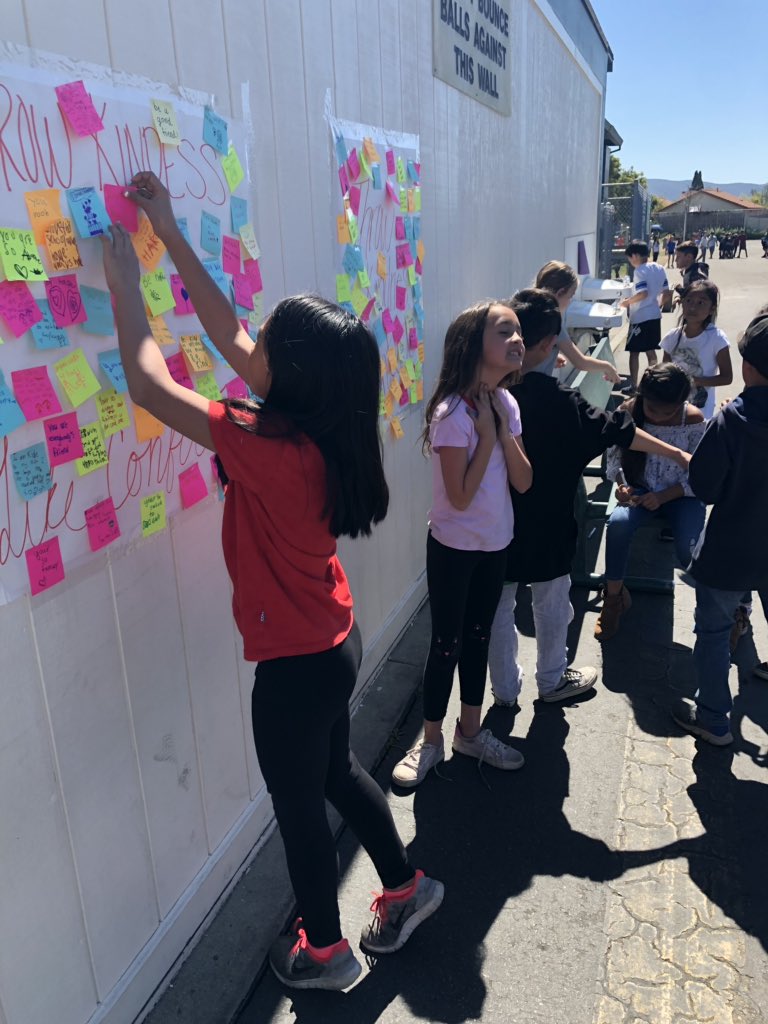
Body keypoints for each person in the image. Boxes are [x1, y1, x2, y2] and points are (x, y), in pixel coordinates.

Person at [102, 172, 443, 991]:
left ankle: (323, 953)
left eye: (269, 345)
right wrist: (168, 232)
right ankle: (407, 883)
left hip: (293, 669)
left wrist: (123, 288)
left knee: (298, 809)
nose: (252, 346)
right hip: (333, 639)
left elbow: (151, 386)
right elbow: (232, 337)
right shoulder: (327, 427)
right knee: (335, 775)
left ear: (290, 372)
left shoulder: (263, 445)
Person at [484, 290, 693, 701]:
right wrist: (677, 453)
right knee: (552, 605)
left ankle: (505, 691)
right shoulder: (565, 404)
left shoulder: (486, 396)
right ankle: (552, 681)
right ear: (547, 344)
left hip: (495, 526)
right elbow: (623, 431)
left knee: (499, 608)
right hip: (550, 526)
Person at [391, 301, 533, 788]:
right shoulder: (452, 413)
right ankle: (430, 741)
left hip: (496, 544)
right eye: (504, 331)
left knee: (479, 637)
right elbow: (460, 495)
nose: (517, 338)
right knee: (446, 643)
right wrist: (488, 437)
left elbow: (524, 481)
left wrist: (501, 428)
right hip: (453, 547)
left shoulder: (506, 403)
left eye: (518, 330)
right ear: (475, 345)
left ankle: (469, 733)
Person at [671, 312, 768, 744]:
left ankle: (713, 718)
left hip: (732, 547)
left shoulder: (732, 421)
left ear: (747, 366)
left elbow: (704, 487)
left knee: (712, 632)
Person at [594, 365, 706, 640]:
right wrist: (621, 485)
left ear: (682, 402)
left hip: (682, 494)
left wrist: (665, 496)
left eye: (665, 412)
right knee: (618, 525)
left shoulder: (692, 419)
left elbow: (703, 473)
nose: (656, 416)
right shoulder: (629, 411)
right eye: (652, 409)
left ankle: (712, 608)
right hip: (640, 488)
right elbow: (614, 458)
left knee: (688, 547)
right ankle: (614, 597)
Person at [531, 261, 621, 383]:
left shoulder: (527, 308)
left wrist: (550, 356)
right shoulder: (553, 321)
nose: (570, 302)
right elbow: (581, 362)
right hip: (533, 387)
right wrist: (608, 367)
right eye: (570, 296)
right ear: (560, 293)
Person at [661, 280, 732, 419]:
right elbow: (664, 371)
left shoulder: (717, 339)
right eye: (688, 301)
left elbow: (727, 377)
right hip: (673, 406)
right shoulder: (672, 337)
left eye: (701, 303)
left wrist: (696, 381)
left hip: (701, 410)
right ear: (681, 302)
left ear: (712, 308)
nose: (693, 307)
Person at [620, 240, 673, 393]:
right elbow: (666, 291)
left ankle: (634, 386)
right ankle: (651, 385)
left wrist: (627, 302)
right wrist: (659, 305)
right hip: (654, 316)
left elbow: (643, 293)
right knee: (651, 351)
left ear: (635, 255)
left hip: (640, 317)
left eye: (629, 258)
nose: (630, 262)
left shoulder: (639, 271)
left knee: (634, 352)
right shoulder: (659, 268)